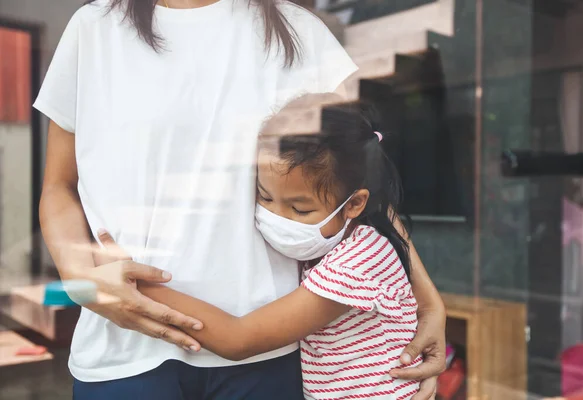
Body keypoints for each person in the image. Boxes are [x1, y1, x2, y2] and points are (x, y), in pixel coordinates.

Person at [37, 0, 446, 399]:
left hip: (266, 353)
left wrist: (427, 303)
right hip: (123, 352)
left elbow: (354, 177)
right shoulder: (95, 28)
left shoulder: (300, 32)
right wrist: (83, 280)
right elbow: (58, 186)